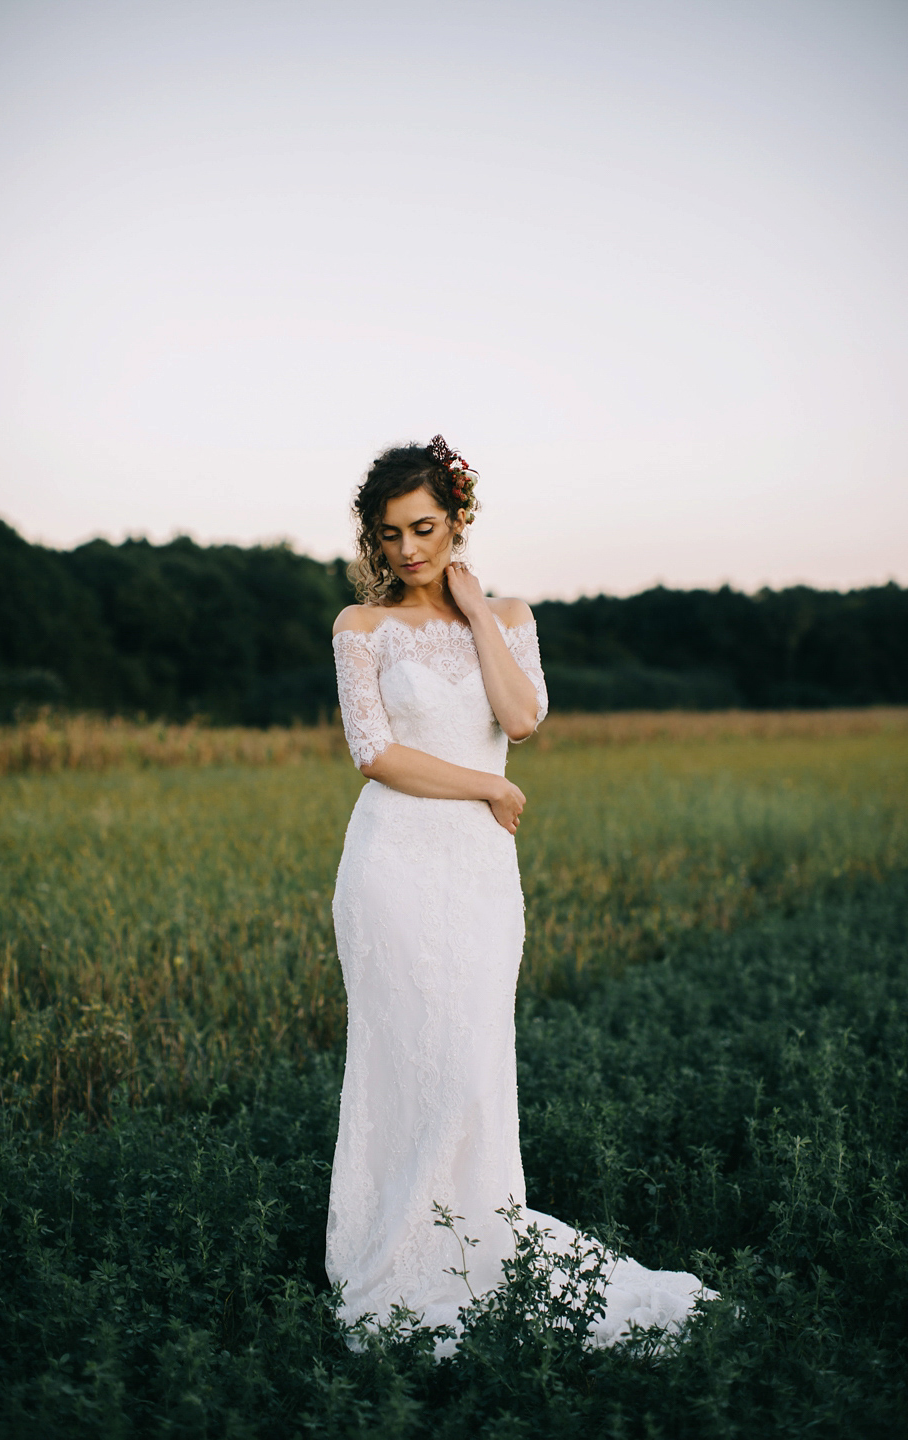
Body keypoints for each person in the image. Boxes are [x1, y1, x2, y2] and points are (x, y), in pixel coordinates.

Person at [326, 436, 714, 1350]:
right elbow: (374, 753)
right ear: (373, 542)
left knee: (471, 1061)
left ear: (457, 520)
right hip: (392, 866)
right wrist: (489, 788)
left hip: (479, 875)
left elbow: (524, 717)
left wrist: (474, 610)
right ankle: (395, 1247)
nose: (408, 549)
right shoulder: (360, 628)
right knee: (409, 1059)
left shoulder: (508, 614)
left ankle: (474, 1233)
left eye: (424, 528)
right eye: (390, 535)